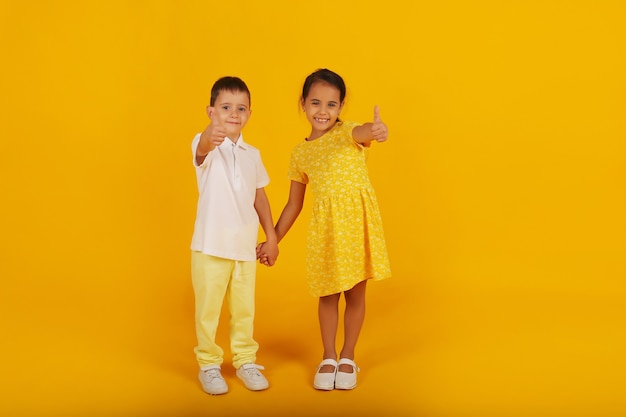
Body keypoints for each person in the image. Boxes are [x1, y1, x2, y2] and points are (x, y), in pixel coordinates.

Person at [258, 68, 391, 390]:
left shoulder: (347, 133)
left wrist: (375, 129)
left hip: (356, 226)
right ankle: (329, 355)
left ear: (341, 107)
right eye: (316, 103)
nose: (323, 111)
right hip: (326, 232)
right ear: (303, 103)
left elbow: (363, 133)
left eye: (331, 105)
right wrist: (272, 239)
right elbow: (294, 204)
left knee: (355, 293)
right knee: (328, 295)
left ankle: (348, 355)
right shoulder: (300, 153)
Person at [190, 76, 278, 395]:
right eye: (226, 107)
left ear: (249, 114)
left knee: (244, 310)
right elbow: (200, 150)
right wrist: (207, 135)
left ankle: (245, 360)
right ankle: (209, 365)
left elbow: (260, 197)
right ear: (211, 111)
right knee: (208, 310)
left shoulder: (252, 154)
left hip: (243, 248)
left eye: (241, 108)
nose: (233, 114)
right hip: (210, 246)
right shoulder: (206, 145)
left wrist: (271, 237)